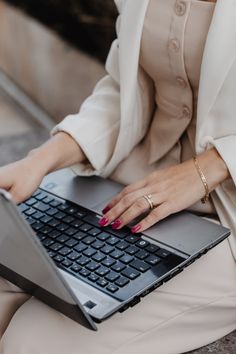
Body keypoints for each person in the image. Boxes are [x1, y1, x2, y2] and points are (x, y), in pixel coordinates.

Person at [0, 0, 235, 353]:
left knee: (29, 344)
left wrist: (211, 166)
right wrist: (40, 160)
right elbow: (124, 88)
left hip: (226, 217)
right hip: (129, 188)